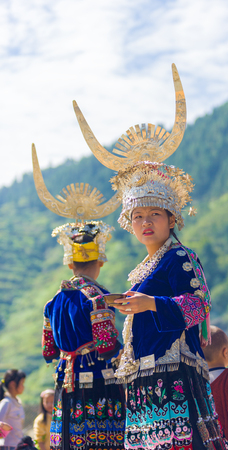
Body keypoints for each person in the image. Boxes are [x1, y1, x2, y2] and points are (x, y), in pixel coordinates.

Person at [110, 161, 228, 450]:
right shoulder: (146, 268)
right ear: (130, 223)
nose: (146, 222)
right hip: (146, 375)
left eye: (154, 214)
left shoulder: (179, 257)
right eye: (138, 216)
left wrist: (151, 303)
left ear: (171, 219)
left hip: (173, 371)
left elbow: (198, 306)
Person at [31, 146, 125, 450]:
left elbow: (48, 350)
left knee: (69, 440)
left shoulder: (53, 300)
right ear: (101, 261)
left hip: (65, 377)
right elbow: (107, 345)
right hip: (95, 377)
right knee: (100, 439)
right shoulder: (98, 298)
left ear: (69, 263)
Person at [0, 369, 26, 450]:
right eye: (21, 383)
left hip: (17, 446)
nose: (23, 386)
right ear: (13, 384)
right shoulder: (6, 403)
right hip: (7, 446)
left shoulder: (17, 402)